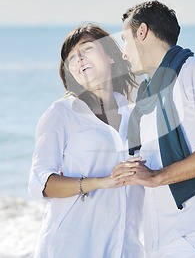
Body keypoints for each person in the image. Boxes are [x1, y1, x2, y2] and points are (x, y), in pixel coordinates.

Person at [112, 0, 195, 258]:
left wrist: (156, 176)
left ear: (142, 32)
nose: (124, 52)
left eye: (125, 39)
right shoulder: (148, 96)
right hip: (158, 238)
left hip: (194, 234)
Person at [28, 24, 144, 258]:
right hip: (70, 246)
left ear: (111, 56)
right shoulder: (61, 113)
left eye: (87, 49)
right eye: (71, 58)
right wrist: (101, 182)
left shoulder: (137, 114)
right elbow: (40, 183)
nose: (78, 59)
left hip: (124, 247)